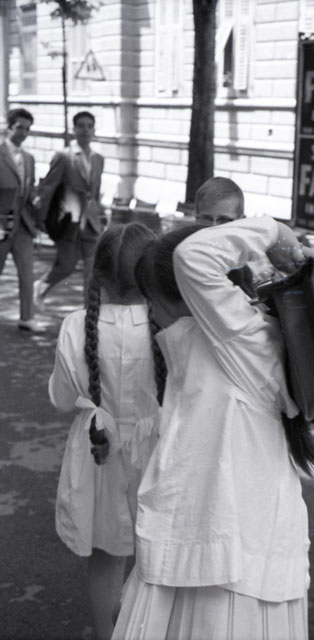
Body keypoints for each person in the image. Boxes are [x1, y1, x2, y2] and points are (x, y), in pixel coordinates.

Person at [112, 216, 314, 640]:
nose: (150, 311)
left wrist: (274, 233)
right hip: (213, 545)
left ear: (188, 294)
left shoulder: (241, 338)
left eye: (152, 298)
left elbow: (193, 256)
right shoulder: (222, 343)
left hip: (234, 562)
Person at [48, 222, 160, 640]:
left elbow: (62, 399)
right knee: (157, 559)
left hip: (97, 456)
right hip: (157, 454)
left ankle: (105, 634)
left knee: (104, 557)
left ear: (99, 274)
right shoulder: (168, 326)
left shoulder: (77, 325)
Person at [35, 111, 105, 307]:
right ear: (74, 129)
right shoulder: (63, 156)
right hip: (69, 220)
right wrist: (40, 218)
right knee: (66, 265)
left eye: (89, 126)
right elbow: (48, 187)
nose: (85, 130)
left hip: (91, 222)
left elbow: (95, 192)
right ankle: (41, 286)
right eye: (81, 126)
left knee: (92, 268)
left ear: (94, 130)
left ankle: (88, 312)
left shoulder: (98, 158)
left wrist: (99, 213)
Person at [0, 108, 44, 332]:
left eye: (27, 129)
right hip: (1, 223)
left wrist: (35, 198)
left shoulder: (29, 158)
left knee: (27, 273)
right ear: (8, 127)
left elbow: (30, 186)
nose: (23, 133)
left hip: (23, 224)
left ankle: (27, 318)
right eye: (19, 128)